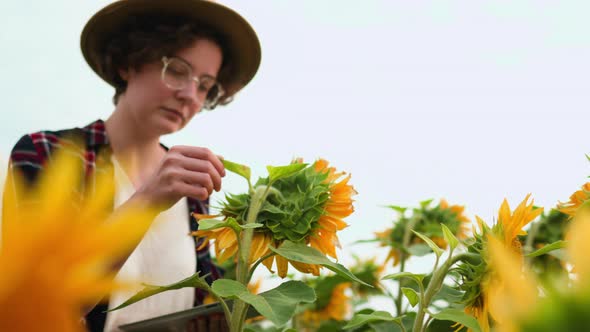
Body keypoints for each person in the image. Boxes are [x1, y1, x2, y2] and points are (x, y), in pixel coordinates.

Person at [2, 0, 261, 331]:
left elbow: (203, 307)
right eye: (178, 70)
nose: (190, 95)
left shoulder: (193, 192)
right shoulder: (49, 153)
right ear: (129, 62)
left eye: (205, 85)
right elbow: (40, 298)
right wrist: (148, 200)